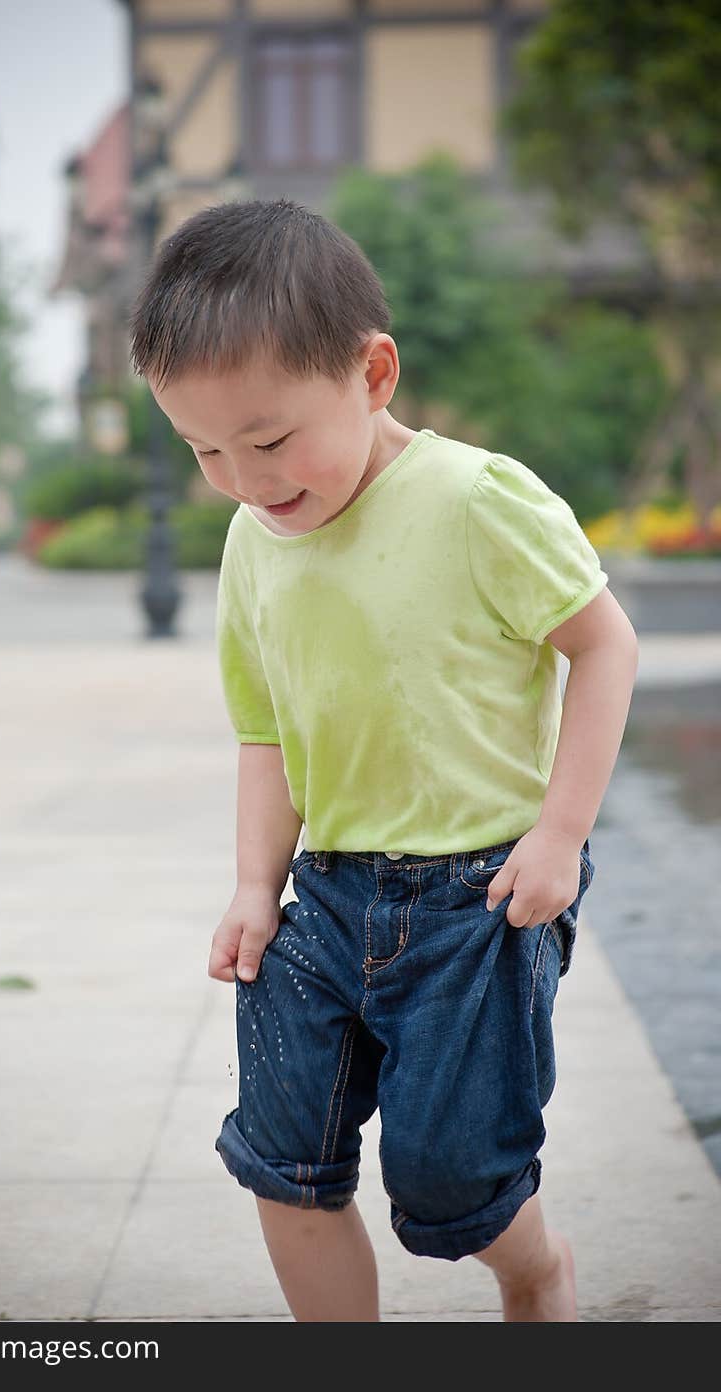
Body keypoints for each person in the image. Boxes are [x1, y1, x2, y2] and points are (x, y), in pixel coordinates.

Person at [128, 197, 639, 1322]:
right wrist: (256, 886)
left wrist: (558, 836)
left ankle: (538, 1272)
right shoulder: (251, 544)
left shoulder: (473, 500)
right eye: (204, 449)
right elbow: (266, 732)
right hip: (326, 895)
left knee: (453, 1179)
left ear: (372, 374)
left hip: (477, 896)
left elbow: (603, 646)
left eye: (267, 439)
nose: (245, 477)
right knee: (280, 1155)